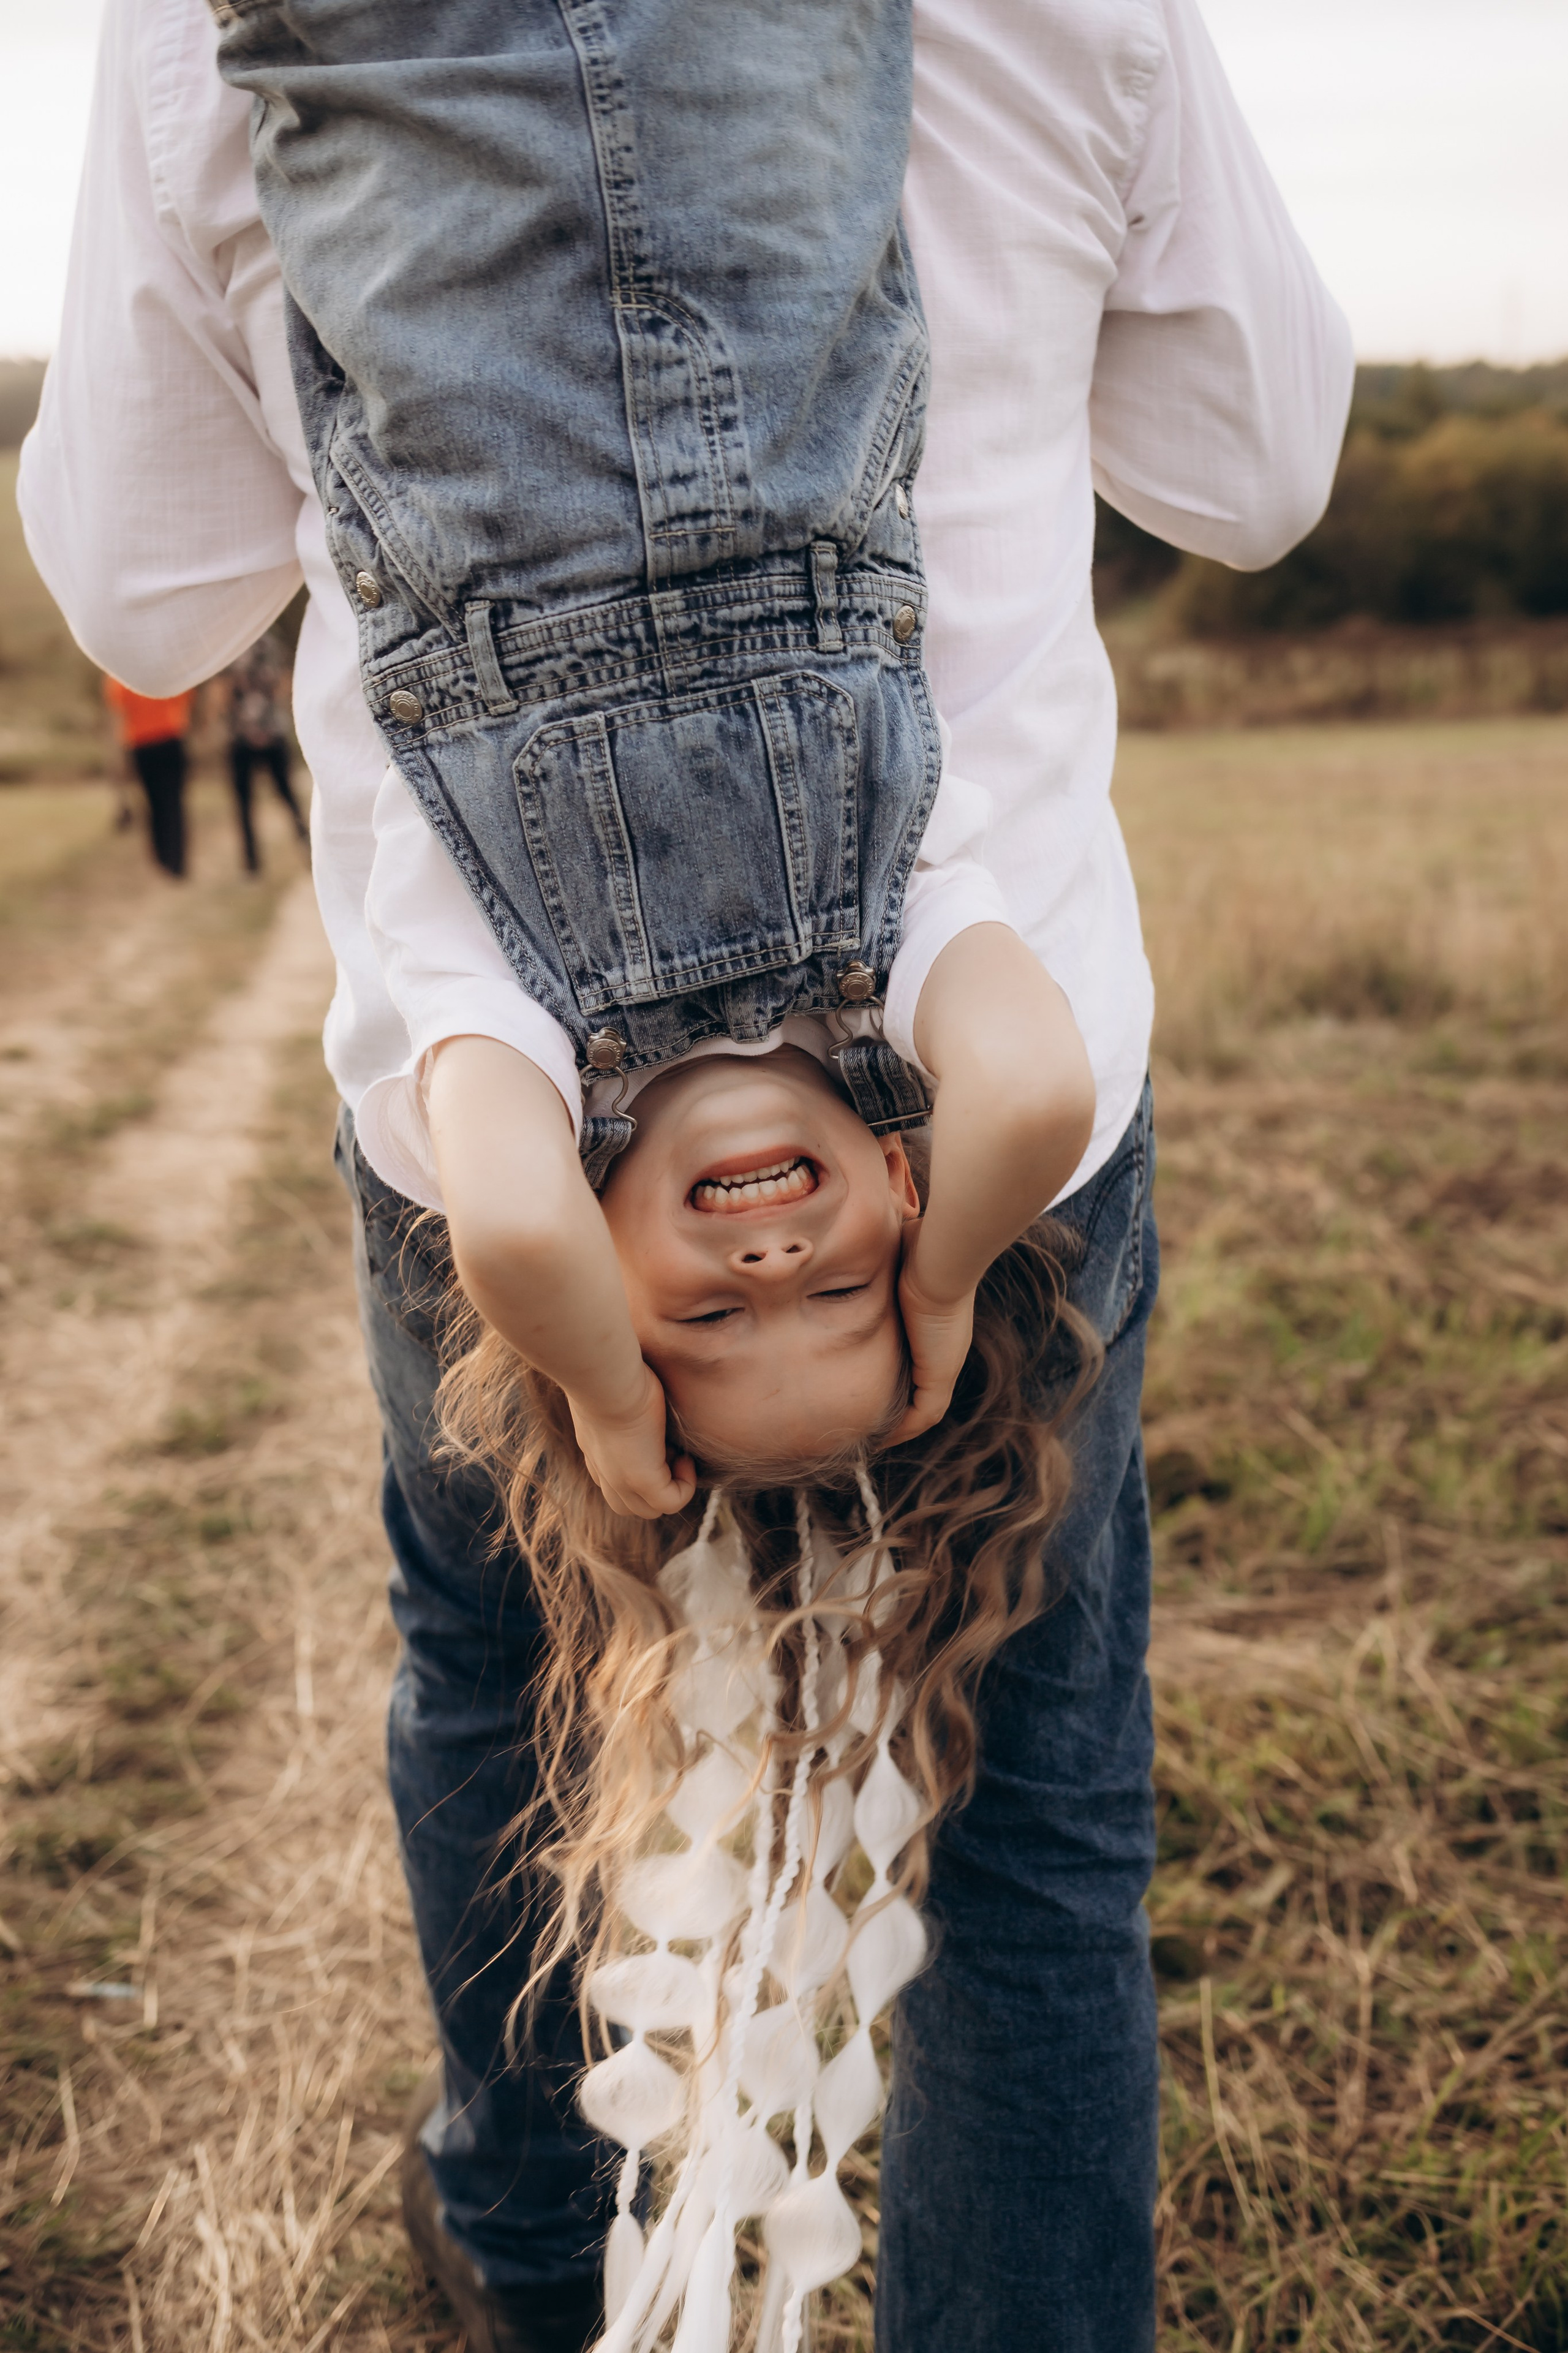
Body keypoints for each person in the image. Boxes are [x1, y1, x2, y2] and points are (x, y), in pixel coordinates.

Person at [18, 0, 1353, 2346]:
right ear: (915, 1243)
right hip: (993, 1080)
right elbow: (1251, 473)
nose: (757, 1265)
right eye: (816, 1301)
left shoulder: (512, 1075)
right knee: (1023, 1800)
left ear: (595, 1343)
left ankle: (539, 2250)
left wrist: (607, 1354)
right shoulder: (924, 1012)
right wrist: (942, 1255)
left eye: (700, 1328)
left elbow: (143, 599)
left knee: (490, 1659)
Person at [224, 630, 309, 872]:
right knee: (285, 797)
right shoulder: (270, 643)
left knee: (250, 803)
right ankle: (305, 847)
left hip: (248, 733)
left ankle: (253, 865)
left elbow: (222, 691)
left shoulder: (229, 646)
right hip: (263, 731)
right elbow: (284, 682)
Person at [101, 673, 192, 877]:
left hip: (142, 744)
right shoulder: (167, 670)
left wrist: (119, 756)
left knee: (154, 803)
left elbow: (119, 716)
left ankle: (163, 859)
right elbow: (185, 699)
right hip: (171, 738)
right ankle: (177, 861)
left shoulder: (118, 674)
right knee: (174, 801)